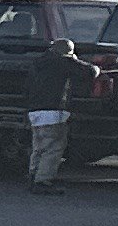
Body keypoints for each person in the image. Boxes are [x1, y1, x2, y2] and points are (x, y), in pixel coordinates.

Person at [26, 31, 96, 192]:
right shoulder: (64, 62)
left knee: (38, 147)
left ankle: (33, 175)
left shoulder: (37, 63)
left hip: (35, 112)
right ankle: (43, 181)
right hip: (53, 112)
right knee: (54, 147)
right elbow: (90, 71)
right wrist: (76, 60)